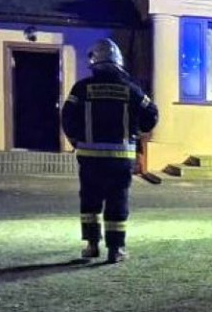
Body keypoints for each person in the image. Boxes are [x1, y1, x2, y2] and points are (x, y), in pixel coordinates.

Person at [61, 39, 158, 263]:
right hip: (120, 158)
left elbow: (67, 116)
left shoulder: (81, 88)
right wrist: (138, 131)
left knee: (90, 200)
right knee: (117, 200)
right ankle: (116, 249)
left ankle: (91, 245)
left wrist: (76, 139)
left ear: (95, 63)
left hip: (90, 158)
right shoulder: (131, 89)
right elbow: (152, 114)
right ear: (118, 63)